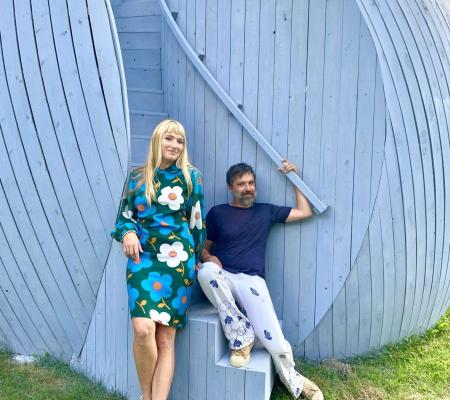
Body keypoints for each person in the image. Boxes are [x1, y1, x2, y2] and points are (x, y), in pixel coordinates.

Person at [197, 161, 323, 400]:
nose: (248, 188)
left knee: (273, 337)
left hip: (252, 281)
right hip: (224, 277)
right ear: (230, 187)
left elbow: (304, 212)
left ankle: (294, 380)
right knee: (205, 271)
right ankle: (242, 335)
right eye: (241, 184)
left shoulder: (265, 211)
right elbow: (205, 247)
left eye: (251, 183)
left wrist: (294, 176)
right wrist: (208, 256)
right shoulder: (218, 212)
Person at [111, 119, 205, 400]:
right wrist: (127, 233)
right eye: (169, 139)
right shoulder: (137, 178)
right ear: (157, 141)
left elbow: (197, 222)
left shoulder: (191, 177)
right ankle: (146, 395)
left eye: (180, 141)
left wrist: (197, 257)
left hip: (178, 262)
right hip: (144, 259)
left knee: (165, 339)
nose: (175, 145)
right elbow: (123, 218)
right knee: (143, 330)